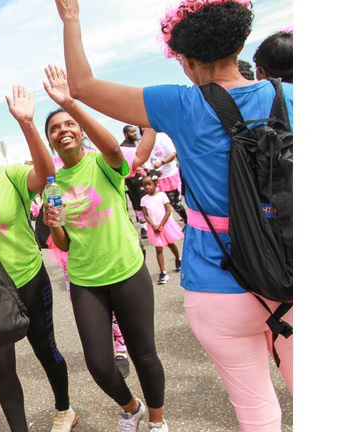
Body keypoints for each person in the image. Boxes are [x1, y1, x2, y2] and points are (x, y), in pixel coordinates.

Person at [53, 0, 293, 430]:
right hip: (296, 271)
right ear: (240, 42)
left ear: (186, 59)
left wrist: (70, 18)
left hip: (222, 284)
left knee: (258, 411)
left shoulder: (182, 105)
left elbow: (83, 85)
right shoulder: (292, 96)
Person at [39, 65, 167, 432]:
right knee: (98, 363)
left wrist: (71, 103)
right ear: (50, 142)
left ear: (80, 131)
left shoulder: (103, 162)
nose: (62, 130)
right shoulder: (53, 183)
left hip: (126, 269)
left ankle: (157, 422)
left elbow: (112, 146)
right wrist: (54, 224)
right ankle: (132, 408)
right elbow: (62, 244)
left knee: (144, 354)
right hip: (84, 278)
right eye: (54, 129)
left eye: (68, 125)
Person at [0, 82, 77, 432]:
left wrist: (27, 124)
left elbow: (45, 174)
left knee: (45, 348)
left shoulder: (10, 175)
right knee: (4, 369)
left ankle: (64, 409)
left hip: (29, 280)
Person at [139, 170, 183, 285]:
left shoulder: (162, 195)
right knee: (158, 248)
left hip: (165, 224)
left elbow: (168, 211)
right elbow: (146, 215)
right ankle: (163, 272)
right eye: (145, 185)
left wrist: (161, 225)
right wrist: (154, 225)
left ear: (155, 183)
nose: (147, 187)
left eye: (149, 184)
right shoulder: (144, 200)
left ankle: (178, 259)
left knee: (170, 244)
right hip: (154, 227)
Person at [149, 133, 187, 226]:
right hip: (157, 178)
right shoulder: (144, 141)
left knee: (176, 204)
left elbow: (173, 154)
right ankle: (170, 228)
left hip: (170, 176)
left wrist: (161, 162)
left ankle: (187, 222)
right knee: (162, 207)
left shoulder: (162, 137)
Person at [119, 125, 148, 238]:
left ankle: (150, 224)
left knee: (147, 201)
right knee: (137, 204)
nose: (135, 133)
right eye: (131, 132)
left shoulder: (137, 144)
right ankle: (143, 228)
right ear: (125, 134)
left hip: (142, 178)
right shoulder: (124, 148)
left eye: (135, 131)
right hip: (131, 180)